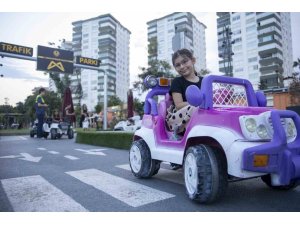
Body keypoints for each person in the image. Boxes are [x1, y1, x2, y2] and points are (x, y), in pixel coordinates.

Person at [166, 48, 203, 136]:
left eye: (185, 62)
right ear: (175, 68)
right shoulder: (177, 82)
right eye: (178, 65)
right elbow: (178, 105)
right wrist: (199, 103)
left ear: (193, 60)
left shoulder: (204, 81)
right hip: (181, 117)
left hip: (201, 114)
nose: (182, 66)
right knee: (195, 109)